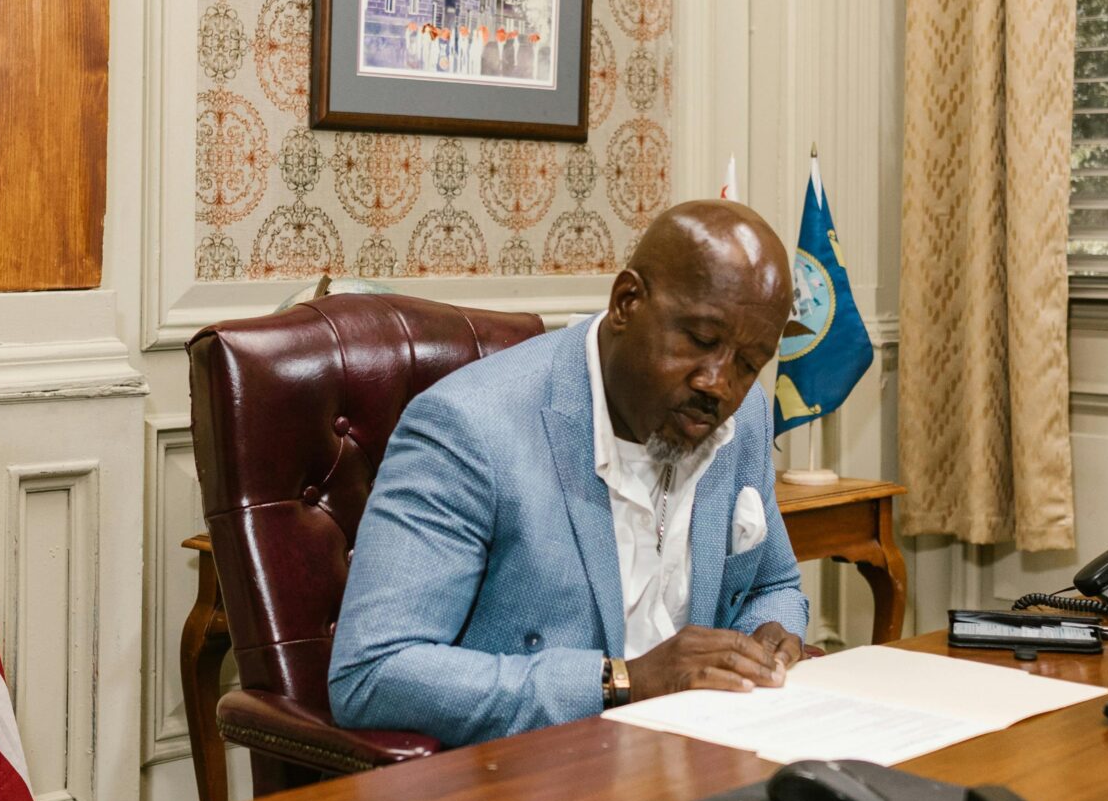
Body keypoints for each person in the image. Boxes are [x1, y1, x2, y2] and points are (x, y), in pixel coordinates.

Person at [330, 200, 810, 747]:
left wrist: (768, 637)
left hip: (704, 757)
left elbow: (775, 585)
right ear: (627, 302)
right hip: (530, 788)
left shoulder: (740, 417)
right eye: (700, 341)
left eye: (749, 363)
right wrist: (624, 681)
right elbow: (373, 673)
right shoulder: (471, 427)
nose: (719, 384)